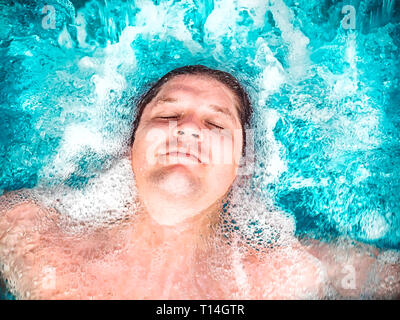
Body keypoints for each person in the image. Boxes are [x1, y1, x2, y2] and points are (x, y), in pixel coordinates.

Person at [0, 65, 398, 299]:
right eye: (165, 115)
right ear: (129, 146)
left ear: (246, 166)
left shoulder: (288, 273)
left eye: (215, 122)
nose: (188, 129)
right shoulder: (25, 231)